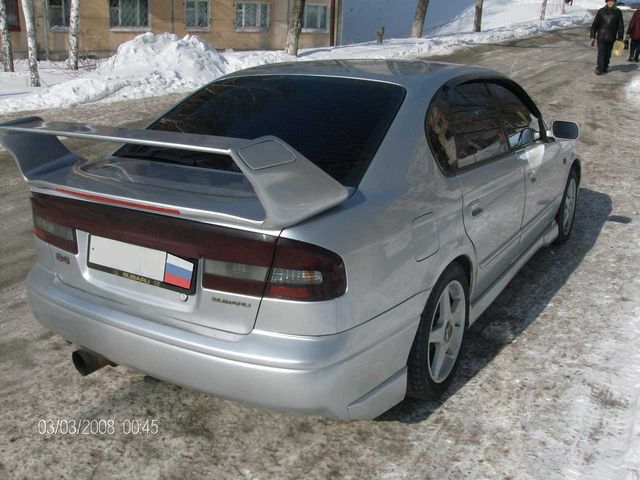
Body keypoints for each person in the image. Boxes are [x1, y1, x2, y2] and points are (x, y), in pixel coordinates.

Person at [591, 0, 625, 75]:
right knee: (601, 52)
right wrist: (593, 36)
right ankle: (599, 68)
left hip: (611, 36)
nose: (610, 2)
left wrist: (620, 38)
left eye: (612, 1)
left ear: (614, 2)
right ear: (606, 1)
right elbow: (595, 25)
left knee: (608, 53)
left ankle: (605, 67)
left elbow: (620, 26)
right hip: (601, 36)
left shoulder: (618, 12)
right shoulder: (601, 11)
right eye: (609, 1)